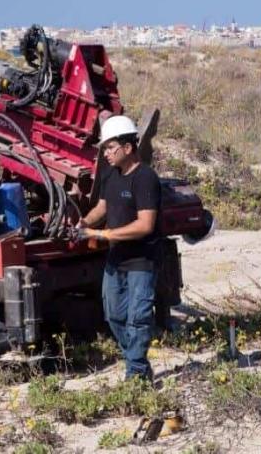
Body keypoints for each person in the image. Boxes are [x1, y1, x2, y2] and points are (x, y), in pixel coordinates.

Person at [78, 115, 161, 382]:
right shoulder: (109, 175)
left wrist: (102, 234)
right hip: (117, 259)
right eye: (104, 148)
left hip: (141, 260)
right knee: (113, 315)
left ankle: (136, 374)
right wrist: (85, 222)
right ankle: (137, 361)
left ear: (128, 147)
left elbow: (145, 224)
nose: (106, 153)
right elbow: (103, 206)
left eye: (110, 147)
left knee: (138, 318)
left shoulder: (146, 178)